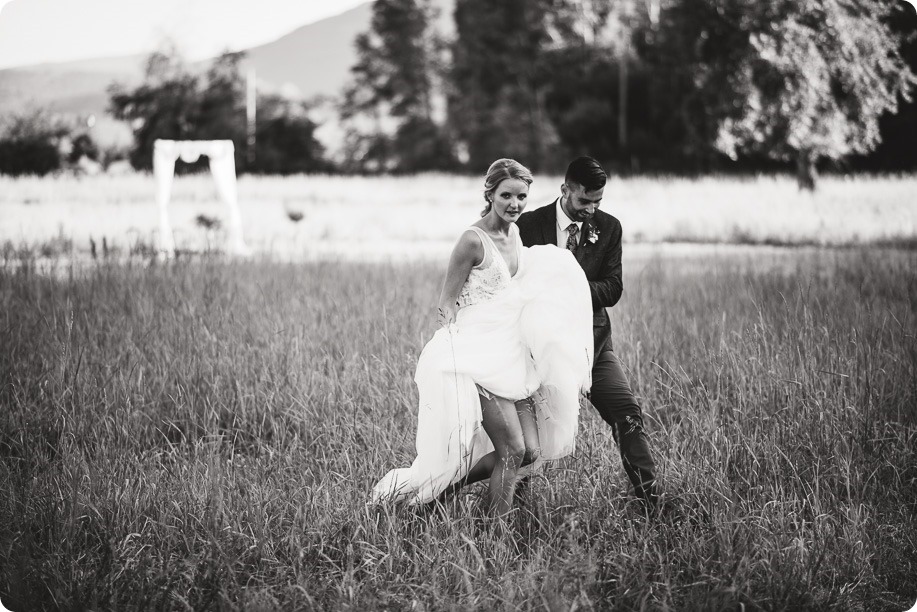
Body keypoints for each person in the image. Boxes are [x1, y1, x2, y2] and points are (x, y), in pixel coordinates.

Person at [372, 159, 593, 516]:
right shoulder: (472, 241)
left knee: (531, 452)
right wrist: (454, 349)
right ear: (490, 193)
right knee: (512, 450)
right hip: (479, 357)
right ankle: (495, 536)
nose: (515, 204)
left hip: (512, 356)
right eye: (507, 195)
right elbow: (446, 303)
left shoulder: (516, 234)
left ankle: (435, 495)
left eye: (522, 196)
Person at [516, 156, 661, 511]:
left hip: (591, 345)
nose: (591, 209)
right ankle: (512, 507)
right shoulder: (528, 225)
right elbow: (514, 282)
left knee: (627, 412)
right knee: (529, 433)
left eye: (598, 201)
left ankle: (652, 501)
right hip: (536, 349)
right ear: (565, 189)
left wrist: (567, 287)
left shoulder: (609, 228)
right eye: (584, 200)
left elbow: (612, 289)